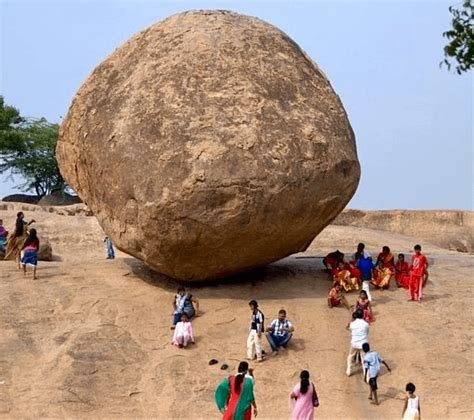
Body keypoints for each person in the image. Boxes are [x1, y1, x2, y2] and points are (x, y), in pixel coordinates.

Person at [346, 309, 369, 376]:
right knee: (364, 359)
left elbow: (348, 328)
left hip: (354, 343)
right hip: (363, 344)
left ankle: (348, 371)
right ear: (363, 315)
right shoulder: (366, 324)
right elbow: (367, 333)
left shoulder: (352, 324)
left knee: (350, 356)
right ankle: (366, 375)